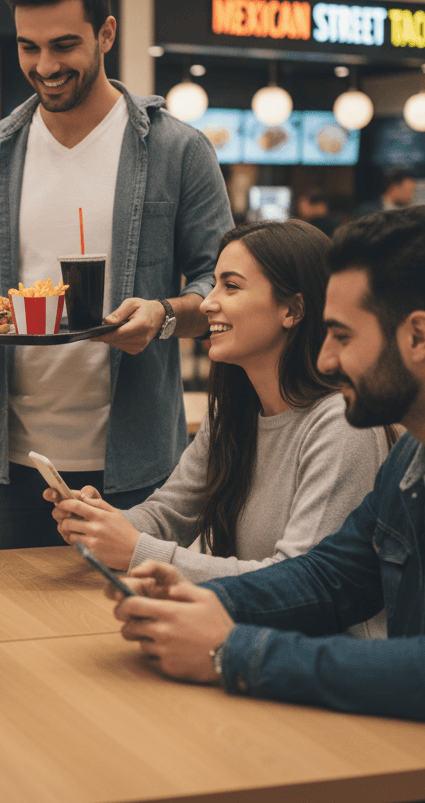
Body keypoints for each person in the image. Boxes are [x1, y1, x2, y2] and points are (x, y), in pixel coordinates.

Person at [105, 206, 425, 802]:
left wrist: (231, 650)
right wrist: (196, 600)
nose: (323, 360)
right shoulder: (415, 457)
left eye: (343, 337)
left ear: (419, 337)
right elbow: (334, 576)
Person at [0, 0, 233, 549]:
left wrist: (162, 317)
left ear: (106, 34)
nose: (45, 66)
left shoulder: (178, 151)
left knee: (127, 630)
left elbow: (222, 282)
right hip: (11, 460)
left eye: (64, 45)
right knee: (7, 632)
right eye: (29, 47)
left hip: (137, 463)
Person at [46, 220, 389, 596]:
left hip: (320, 649)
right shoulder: (232, 410)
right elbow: (169, 514)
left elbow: (300, 584)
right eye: (213, 285)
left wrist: (140, 552)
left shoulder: (342, 424)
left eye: (232, 286)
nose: (207, 303)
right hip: (239, 632)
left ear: (292, 310)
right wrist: (104, 522)